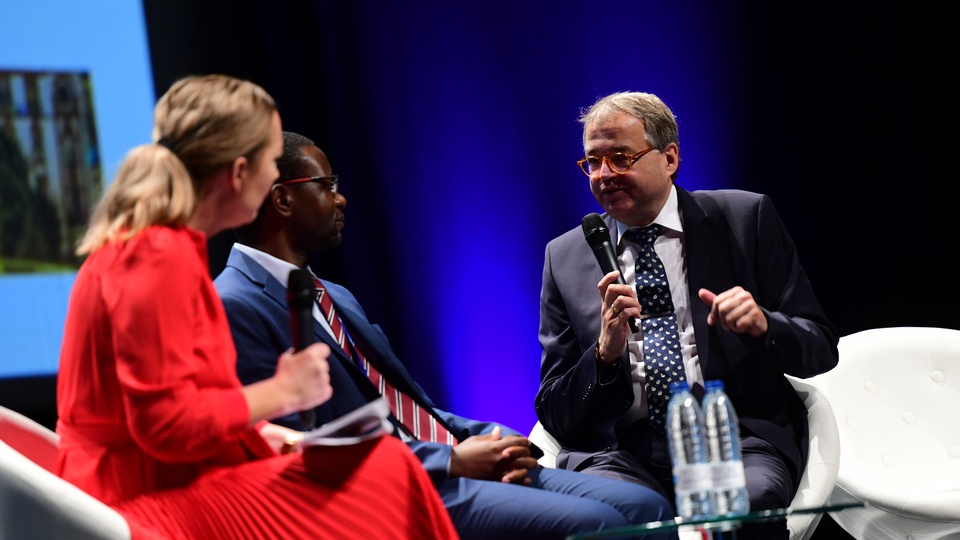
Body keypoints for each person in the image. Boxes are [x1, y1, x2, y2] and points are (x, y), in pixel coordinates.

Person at [214, 131, 679, 540]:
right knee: (595, 523)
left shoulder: (330, 293)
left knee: (646, 509)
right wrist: (451, 462)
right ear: (282, 200)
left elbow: (403, 407)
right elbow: (299, 453)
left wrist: (485, 436)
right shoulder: (235, 305)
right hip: (394, 489)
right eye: (328, 185)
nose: (341, 199)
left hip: (446, 458)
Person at [55, 74, 458, 540]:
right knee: (387, 470)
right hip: (143, 500)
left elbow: (192, 406)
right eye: (270, 162)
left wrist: (279, 437)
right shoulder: (157, 255)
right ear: (239, 172)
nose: (274, 178)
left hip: (165, 479)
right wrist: (283, 392)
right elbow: (164, 426)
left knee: (375, 463)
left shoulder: (166, 247)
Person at [535, 91, 840, 540]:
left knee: (742, 507)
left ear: (670, 157)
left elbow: (821, 348)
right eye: (593, 163)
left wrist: (764, 326)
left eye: (620, 157)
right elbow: (555, 412)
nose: (604, 175)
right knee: (604, 520)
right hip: (624, 454)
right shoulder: (565, 257)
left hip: (733, 438)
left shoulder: (745, 219)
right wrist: (602, 355)